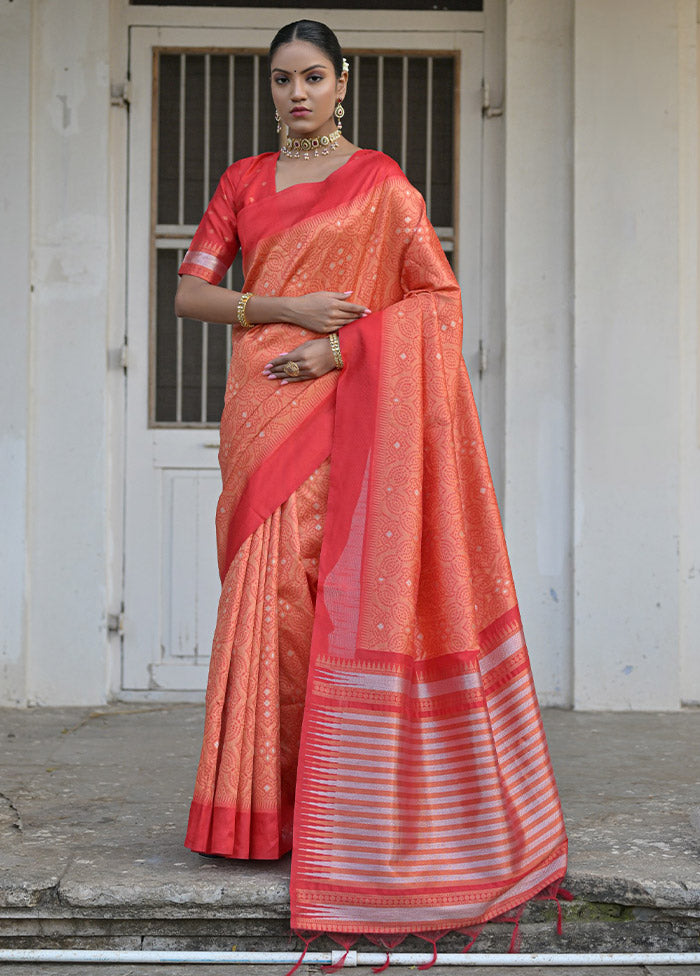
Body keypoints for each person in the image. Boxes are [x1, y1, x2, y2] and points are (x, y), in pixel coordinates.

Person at [176, 18, 568, 955]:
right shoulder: (242, 181)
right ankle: (250, 816)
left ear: (344, 82)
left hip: (342, 407)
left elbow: (435, 300)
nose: (296, 94)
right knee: (260, 601)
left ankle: (337, 816)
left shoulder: (383, 184)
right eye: (281, 80)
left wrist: (339, 345)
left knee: (321, 602)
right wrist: (283, 309)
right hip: (260, 407)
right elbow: (192, 293)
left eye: (313, 77)